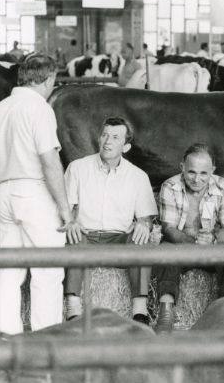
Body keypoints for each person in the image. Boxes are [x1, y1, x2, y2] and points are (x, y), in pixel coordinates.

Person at [0, 53, 75, 335]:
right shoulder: (39, 109)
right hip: (33, 191)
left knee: (10, 271)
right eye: (53, 81)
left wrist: (2, 200)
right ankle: (45, 338)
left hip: (5, 192)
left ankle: (6, 335)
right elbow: (49, 161)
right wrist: (64, 208)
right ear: (48, 79)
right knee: (47, 271)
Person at [63, 116, 158, 325]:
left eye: (116, 137)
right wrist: (71, 221)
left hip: (118, 239)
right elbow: (66, 210)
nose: (108, 141)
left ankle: (139, 310)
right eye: (105, 135)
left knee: (141, 239)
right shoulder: (77, 168)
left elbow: (145, 218)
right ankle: (73, 306)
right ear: (98, 138)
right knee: (74, 234)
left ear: (126, 146)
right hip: (85, 237)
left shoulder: (138, 176)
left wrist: (144, 224)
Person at [153, 144, 224, 332]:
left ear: (213, 171)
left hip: (212, 247)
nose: (197, 179)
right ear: (182, 168)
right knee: (165, 250)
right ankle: (166, 312)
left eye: (203, 173)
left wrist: (214, 240)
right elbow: (168, 228)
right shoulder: (170, 186)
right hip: (182, 246)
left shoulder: (223, 186)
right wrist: (193, 242)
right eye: (191, 172)